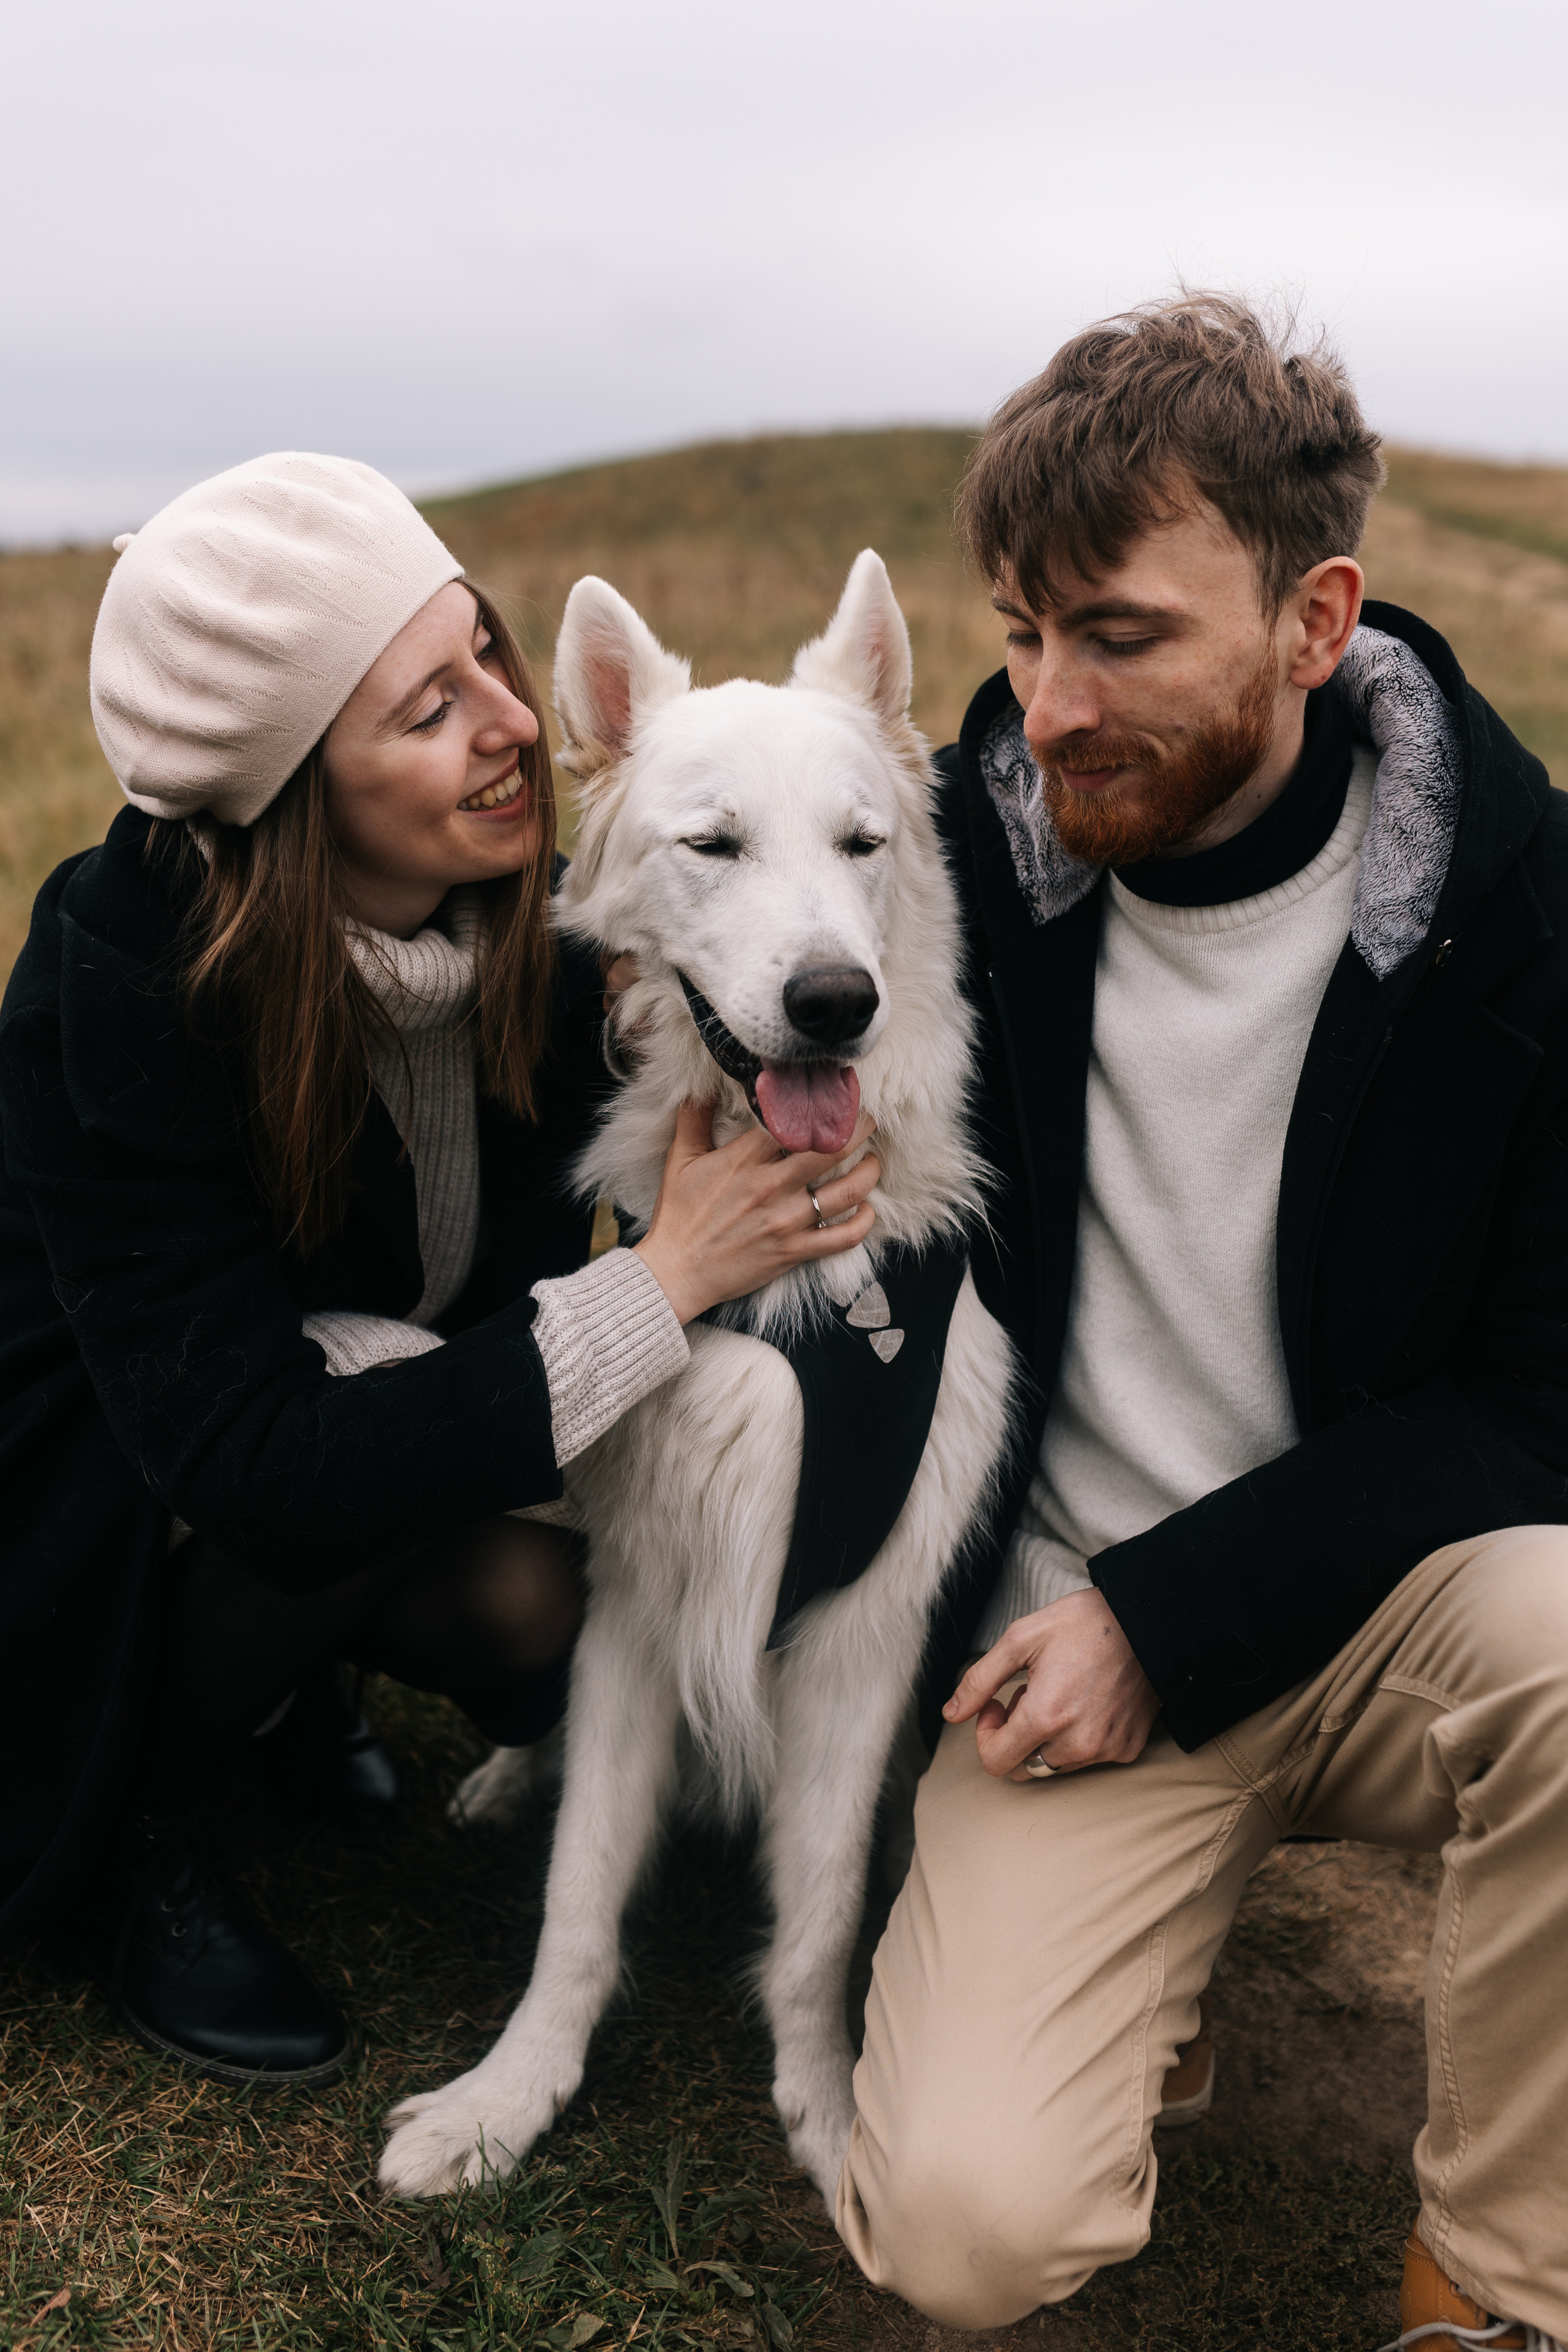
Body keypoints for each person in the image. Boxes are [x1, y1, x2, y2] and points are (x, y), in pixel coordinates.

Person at [832, 299, 1568, 2352]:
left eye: (1122, 636)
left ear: (1318, 618)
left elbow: (1540, 1400)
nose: (1048, 707)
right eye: (1017, 630)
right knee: (967, 2239)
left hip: (1387, 1607)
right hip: (1049, 1648)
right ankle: (1144, 1980)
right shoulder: (960, 857)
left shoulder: (1521, 907)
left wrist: (1183, 1608)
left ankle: (1499, 2295)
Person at [0, 451, 879, 2087]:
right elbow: (249, 1455)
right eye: (426, 710)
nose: (513, 721)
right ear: (285, 786)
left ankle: (288, 1687)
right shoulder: (120, 981)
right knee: (346, 1408)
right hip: (90, 1503)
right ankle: (133, 1843)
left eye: (482, 646)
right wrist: (664, 1280)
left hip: (341, 1431)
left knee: (539, 1619)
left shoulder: (532, 925)